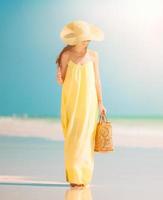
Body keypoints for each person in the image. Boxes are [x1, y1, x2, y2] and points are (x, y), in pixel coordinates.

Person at [56, 20, 107, 188]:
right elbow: (62, 80)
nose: (87, 42)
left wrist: (101, 103)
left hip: (89, 102)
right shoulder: (66, 55)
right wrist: (58, 78)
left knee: (86, 139)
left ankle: (83, 176)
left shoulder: (93, 56)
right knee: (73, 138)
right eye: (83, 39)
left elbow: (97, 81)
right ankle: (73, 175)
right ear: (75, 39)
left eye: (88, 39)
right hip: (71, 100)